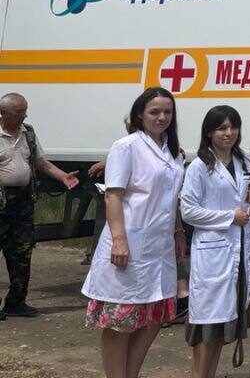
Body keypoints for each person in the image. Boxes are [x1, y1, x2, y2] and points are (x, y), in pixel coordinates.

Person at [81, 87, 186, 378]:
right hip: (130, 242)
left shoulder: (173, 152)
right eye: (154, 111)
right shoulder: (126, 147)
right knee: (122, 320)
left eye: (167, 112)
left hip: (160, 247)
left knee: (151, 318)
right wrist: (119, 240)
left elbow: (172, 197)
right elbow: (113, 195)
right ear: (140, 114)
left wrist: (178, 230)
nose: (161, 117)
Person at [181, 106, 250, 378]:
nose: (228, 133)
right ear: (209, 132)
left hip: (239, 250)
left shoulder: (243, 162)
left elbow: (245, 201)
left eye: (233, 127)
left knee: (223, 328)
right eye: (221, 128)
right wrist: (228, 217)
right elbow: (188, 211)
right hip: (212, 253)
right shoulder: (199, 166)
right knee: (206, 329)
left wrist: (239, 218)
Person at [0, 92, 79, 319]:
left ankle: (16, 302)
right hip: (1, 201)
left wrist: (63, 176)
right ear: (3, 113)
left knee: (22, 252)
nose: (24, 116)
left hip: (22, 202)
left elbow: (41, 163)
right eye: (19, 112)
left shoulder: (28, 133)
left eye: (25, 111)